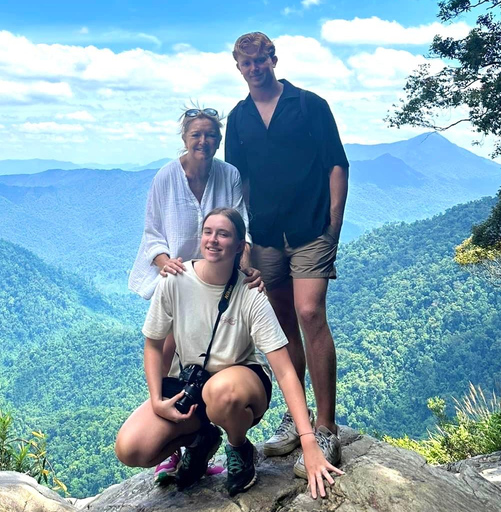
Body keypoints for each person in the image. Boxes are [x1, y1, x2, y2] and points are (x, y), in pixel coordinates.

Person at [116, 208, 343, 499]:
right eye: (208, 232)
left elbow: (285, 371)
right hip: (193, 386)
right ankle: (201, 440)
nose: (213, 240)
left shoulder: (250, 292)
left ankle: (239, 447)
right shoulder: (175, 279)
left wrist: (309, 443)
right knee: (131, 448)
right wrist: (157, 400)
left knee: (220, 391)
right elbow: (153, 344)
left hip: (241, 386)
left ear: (239, 246)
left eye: (223, 234)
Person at [224, 32, 349, 477]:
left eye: (260, 60)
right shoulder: (238, 119)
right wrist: (244, 243)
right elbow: (238, 183)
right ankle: (297, 423)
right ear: (237, 67)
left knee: (310, 313)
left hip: (311, 227)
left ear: (273, 60)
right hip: (265, 235)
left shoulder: (309, 105)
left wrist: (333, 225)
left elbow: (337, 162)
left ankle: (327, 426)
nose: (254, 68)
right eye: (246, 63)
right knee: (281, 326)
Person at [128, 107, 262, 483]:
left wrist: (245, 266)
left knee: (218, 359)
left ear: (218, 140)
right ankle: (181, 445)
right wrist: (165, 259)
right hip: (177, 282)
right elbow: (152, 232)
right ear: (184, 138)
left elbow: (241, 226)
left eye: (210, 136)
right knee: (169, 363)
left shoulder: (228, 175)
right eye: (196, 135)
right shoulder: (166, 178)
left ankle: (217, 435)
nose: (204, 142)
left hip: (220, 281)